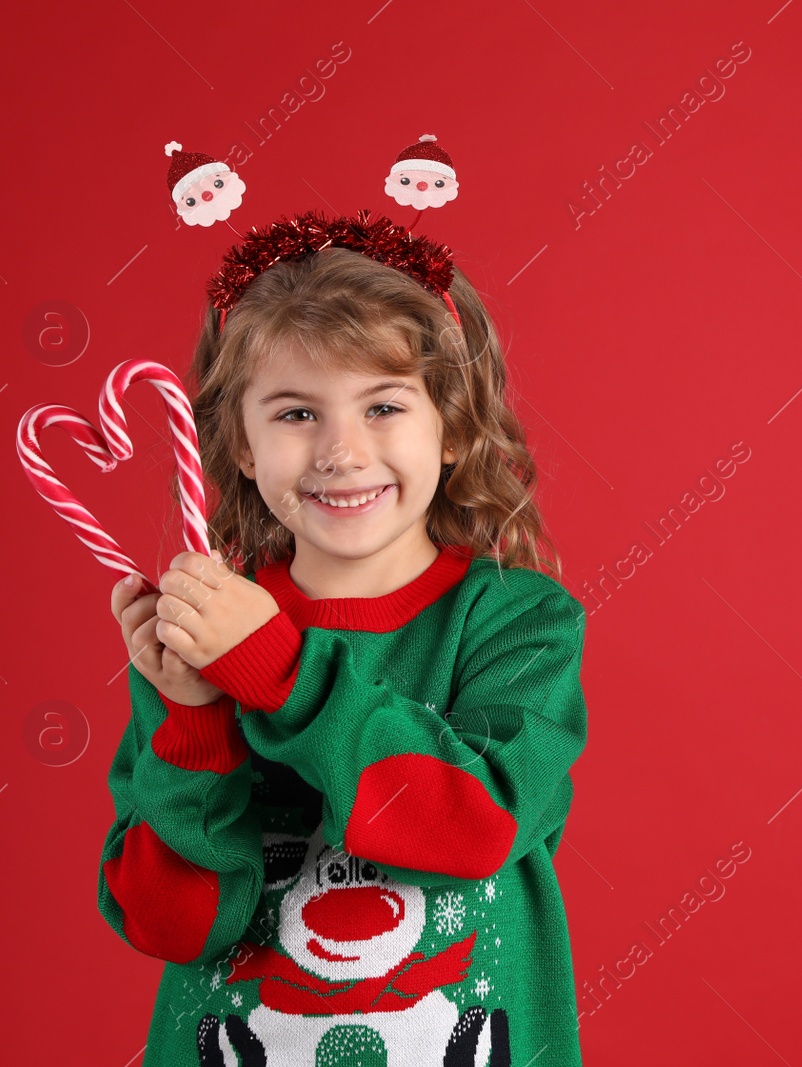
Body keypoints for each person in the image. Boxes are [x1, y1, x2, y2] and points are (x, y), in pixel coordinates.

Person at [99, 229, 588, 1067]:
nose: (341, 452)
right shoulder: (202, 637)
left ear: (453, 428)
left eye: (385, 405)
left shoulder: (519, 622)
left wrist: (278, 671)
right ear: (242, 445)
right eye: (296, 412)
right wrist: (193, 720)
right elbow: (171, 923)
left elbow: (471, 830)